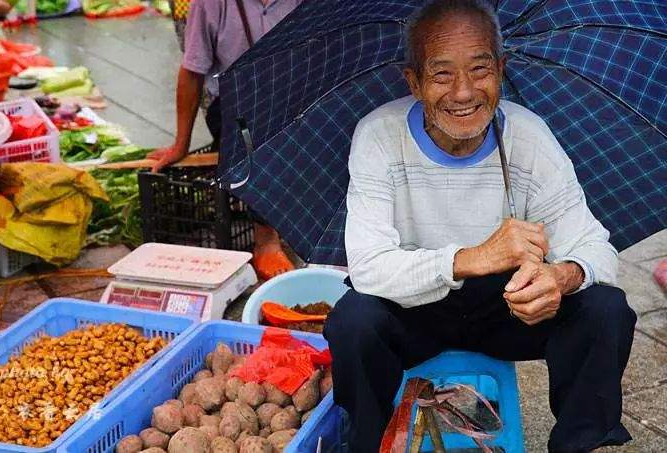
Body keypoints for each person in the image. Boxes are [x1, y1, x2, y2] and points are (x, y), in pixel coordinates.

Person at [323, 1, 637, 452]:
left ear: (501, 70)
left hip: (505, 309)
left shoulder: (528, 137)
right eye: (442, 74)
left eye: (479, 69)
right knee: (354, 322)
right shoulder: (379, 136)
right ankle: (365, 444)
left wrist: (559, 276)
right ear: (414, 81)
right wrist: (478, 257)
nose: (465, 92)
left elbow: (597, 249)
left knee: (605, 309)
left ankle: (578, 444)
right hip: (414, 308)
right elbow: (370, 269)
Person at [149, 0, 302, 280]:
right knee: (252, 130)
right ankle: (265, 240)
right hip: (237, 105)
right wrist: (180, 144)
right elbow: (192, 71)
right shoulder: (210, 3)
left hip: (293, 91)